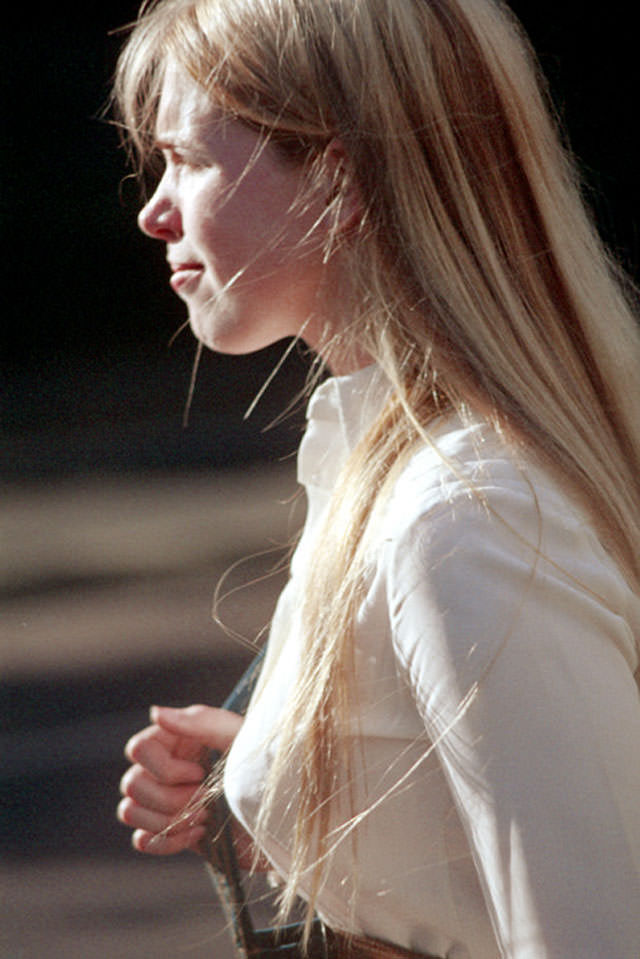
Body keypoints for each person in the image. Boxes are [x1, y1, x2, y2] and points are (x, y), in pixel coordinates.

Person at [114, 1, 640, 956]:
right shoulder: (433, 474)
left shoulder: (468, 519)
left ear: (339, 174)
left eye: (187, 159)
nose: (156, 210)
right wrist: (308, 757)